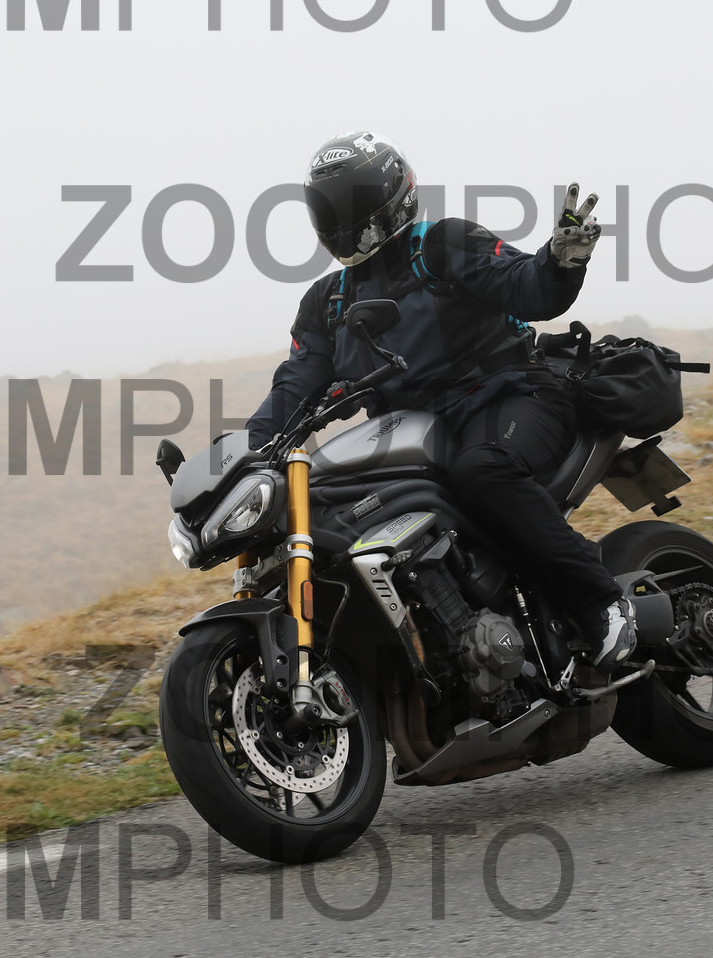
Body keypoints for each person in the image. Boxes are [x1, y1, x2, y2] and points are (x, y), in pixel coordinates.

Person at [244, 130, 637, 671]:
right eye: (330, 207)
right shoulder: (326, 303)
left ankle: (602, 602)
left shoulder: (442, 245)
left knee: (483, 470)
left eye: (355, 202)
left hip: (511, 396)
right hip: (413, 433)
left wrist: (557, 262)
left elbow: (525, 286)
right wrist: (244, 455)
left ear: (393, 193)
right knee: (335, 505)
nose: (345, 219)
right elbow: (293, 387)